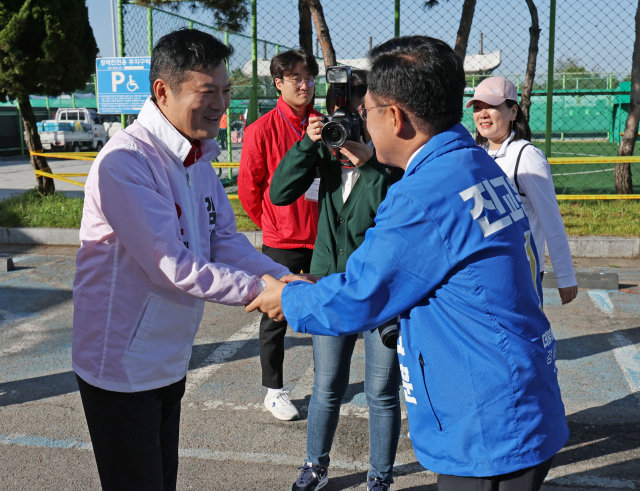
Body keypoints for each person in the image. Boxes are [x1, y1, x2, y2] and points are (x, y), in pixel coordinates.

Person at [248, 35, 569, 491]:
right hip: (516, 395)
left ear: (394, 117)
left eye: (366, 113)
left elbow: (362, 294)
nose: (363, 124)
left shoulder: (423, 195)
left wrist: (290, 297)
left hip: (486, 425)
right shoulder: (474, 163)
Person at [72, 29, 300, 491]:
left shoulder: (194, 160)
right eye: (207, 92)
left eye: (226, 91)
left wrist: (284, 278)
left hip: (167, 359)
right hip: (120, 367)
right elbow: (173, 265)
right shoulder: (126, 162)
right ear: (163, 91)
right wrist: (263, 293)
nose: (220, 104)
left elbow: (223, 241)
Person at [270, 69, 402, 491]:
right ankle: (315, 466)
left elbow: (400, 216)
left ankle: (379, 476)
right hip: (331, 287)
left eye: (355, 116)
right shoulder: (324, 160)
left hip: (380, 292)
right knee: (327, 385)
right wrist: (308, 142)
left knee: (381, 391)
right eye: (333, 116)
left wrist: (372, 167)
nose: (342, 126)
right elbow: (278, 192)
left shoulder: (391, 167)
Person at [238, 49, 321, 421]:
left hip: (323, 238)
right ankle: (274, 390)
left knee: (327, 311)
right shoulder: (261, 129)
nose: (305, 85)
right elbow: (248, 189)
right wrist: (272, 224)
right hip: (282, 240)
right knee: (276, 316)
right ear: (279, 83)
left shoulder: (326, 123)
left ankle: (327, 383)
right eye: (296, 79)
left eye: (309, 78)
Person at [468, 76, 578, 304]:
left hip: (521, 273)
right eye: (478, 108)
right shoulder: (475, 154)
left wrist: (565, 276)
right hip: (485, 271)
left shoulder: (527, 156)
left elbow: (551, 219)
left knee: (525, 337)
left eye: (492, 106)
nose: (483, 114)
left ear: (513, 112)